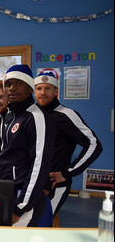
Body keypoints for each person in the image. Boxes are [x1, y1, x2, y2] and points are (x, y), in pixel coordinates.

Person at [34, 72, 102, 218]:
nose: (43, 92)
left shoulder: (66, 114)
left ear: (56, 91)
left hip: (55, 184)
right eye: (39, 88)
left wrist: (67, 173)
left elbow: (94, 144)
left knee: (40, 222)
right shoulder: (32, 115)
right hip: (33, 183)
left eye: (48, 88)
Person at [0, 64, 55, 227]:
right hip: (5, 193)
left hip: (23, 199)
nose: (12, 88)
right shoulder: (10, 117)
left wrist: (20, 207)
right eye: (8, 84)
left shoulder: (36, 118)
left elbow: (39, 166)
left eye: (18, 83)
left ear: (30, 88)